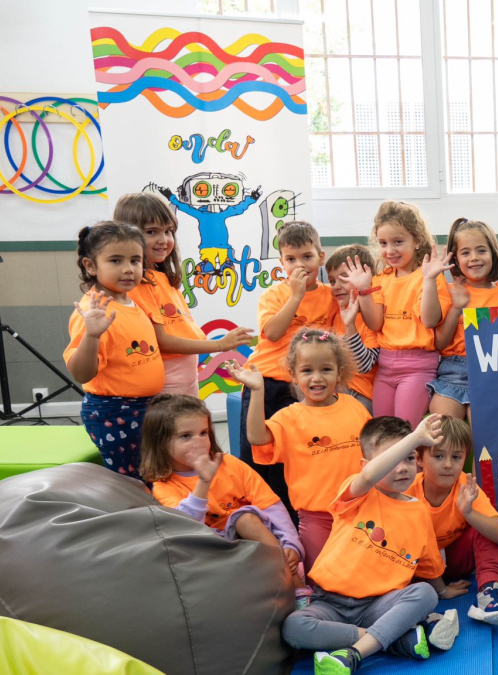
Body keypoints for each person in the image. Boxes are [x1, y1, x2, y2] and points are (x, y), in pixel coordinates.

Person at [281, 415, 463, 674]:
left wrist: (443, 592)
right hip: (329, 604)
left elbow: (429, 564)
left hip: (378, 607)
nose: (402, 468)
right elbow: (368, 477)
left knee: (425, 594)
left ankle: (356, 653)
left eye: (410, 458)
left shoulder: (419, 512)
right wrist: (415, 438)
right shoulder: (357, 493)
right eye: (392, 459)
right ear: (367, 464)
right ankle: (393, 639)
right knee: (293, 628)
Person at [140, 394, 307, 605]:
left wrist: (290, 544)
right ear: (160, 443)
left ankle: (300, 592)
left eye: (203, 433)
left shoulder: (231, 465)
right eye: (185, 436)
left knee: (245, 518)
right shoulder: (164, 487)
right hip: (214, 557)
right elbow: (185, 529)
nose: (199, 442)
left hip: (261, 547)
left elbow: (271, 506)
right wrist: (204, 481)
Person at [229, 327, 372, 572]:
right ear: (293, 376)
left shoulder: (354, 407)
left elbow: (372, 453)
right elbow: (256, 436)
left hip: (359, 512)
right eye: (307, 371)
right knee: (320, 578)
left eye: (326, 369)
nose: (317, 378)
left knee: (359, 573)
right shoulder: (289, 417)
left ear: (340, 373)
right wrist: (257, 391)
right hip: (316, 519)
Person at [238, 221, 339, 505]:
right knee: (254, 455)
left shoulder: (329, 296)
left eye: (307, 257)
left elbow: (335, 344)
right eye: (291, 259)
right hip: (265, 385)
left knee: (290, 457)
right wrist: (295, 296)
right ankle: (254, 516)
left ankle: (290, 521)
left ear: (321, 257)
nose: (299, 265)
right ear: (281, 262)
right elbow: (271, 332)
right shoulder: (274, 294)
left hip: (303, 388)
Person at [118, 193, 253, 396]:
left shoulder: (162, 277)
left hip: (186, 376)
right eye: (152, 232)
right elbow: (161, 340)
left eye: (168, 231)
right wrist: (219, 344)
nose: (163, 240)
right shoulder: (139, 283)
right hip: (167, 379)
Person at [65, 222, 164, 479]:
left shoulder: (130, 301)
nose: (128, 269)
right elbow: (81, 373)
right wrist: (91, 334)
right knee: (129, 483)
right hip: (115, 411)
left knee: (150, 476)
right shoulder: (93, 311)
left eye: (135, 260)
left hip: (145, 407)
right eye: (116, 261)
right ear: (90, 265)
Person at [338, 201, 448, 427]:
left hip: (417, 367)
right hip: (386, 367)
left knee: (403, 432)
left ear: (417, 240)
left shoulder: (428, 276)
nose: (390, 250)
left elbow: (429, 320)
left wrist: (428, 280)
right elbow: (375, 323)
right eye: (383, 243)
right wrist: (364, 290)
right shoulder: (382, 279)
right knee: (383, 431)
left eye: (398, 241)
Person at [406, 416, 498, 626]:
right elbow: (413, 547)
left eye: (456, 457)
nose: (448, 465)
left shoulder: (466, 486)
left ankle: (491, 593)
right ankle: (418, 616)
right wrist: (442, 590)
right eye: (438, 456)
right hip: (420, 569)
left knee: (483, 529)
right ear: (419, 459)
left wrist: (469, 513)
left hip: (454, 560)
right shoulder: (407, 492)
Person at [429, 218, 498, 420]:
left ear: (493, 254)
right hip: (452, 374)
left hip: (491, 374)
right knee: (445, 430)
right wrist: (457, 307)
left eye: (481, 250)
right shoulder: (449, 292)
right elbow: (440, 342)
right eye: (465, 253)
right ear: (455, 259)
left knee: (485, 434)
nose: (474, 258)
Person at [326, 244, 380, 413]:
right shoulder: (336, 311)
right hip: (335, 388)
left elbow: (364, 366)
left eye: (344, 278)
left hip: (361, 394)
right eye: (332, 281)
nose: (336, 285)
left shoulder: (373, 318)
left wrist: (350, 326)